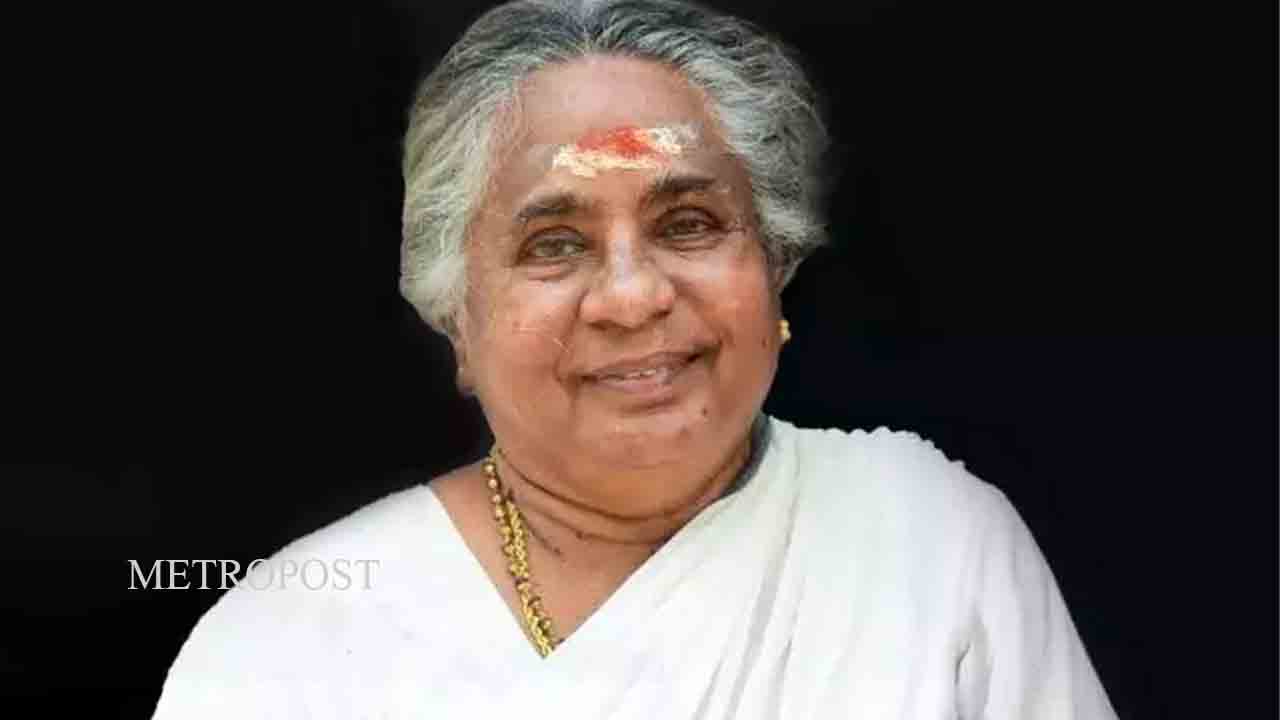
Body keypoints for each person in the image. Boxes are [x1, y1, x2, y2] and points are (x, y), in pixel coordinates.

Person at [155, 0, 1117, 716]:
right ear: (457, 320)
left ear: (775, 268)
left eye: (689, 223)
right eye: (554, 244)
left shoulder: (926, 543)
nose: (633, 295)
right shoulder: (289, 643)